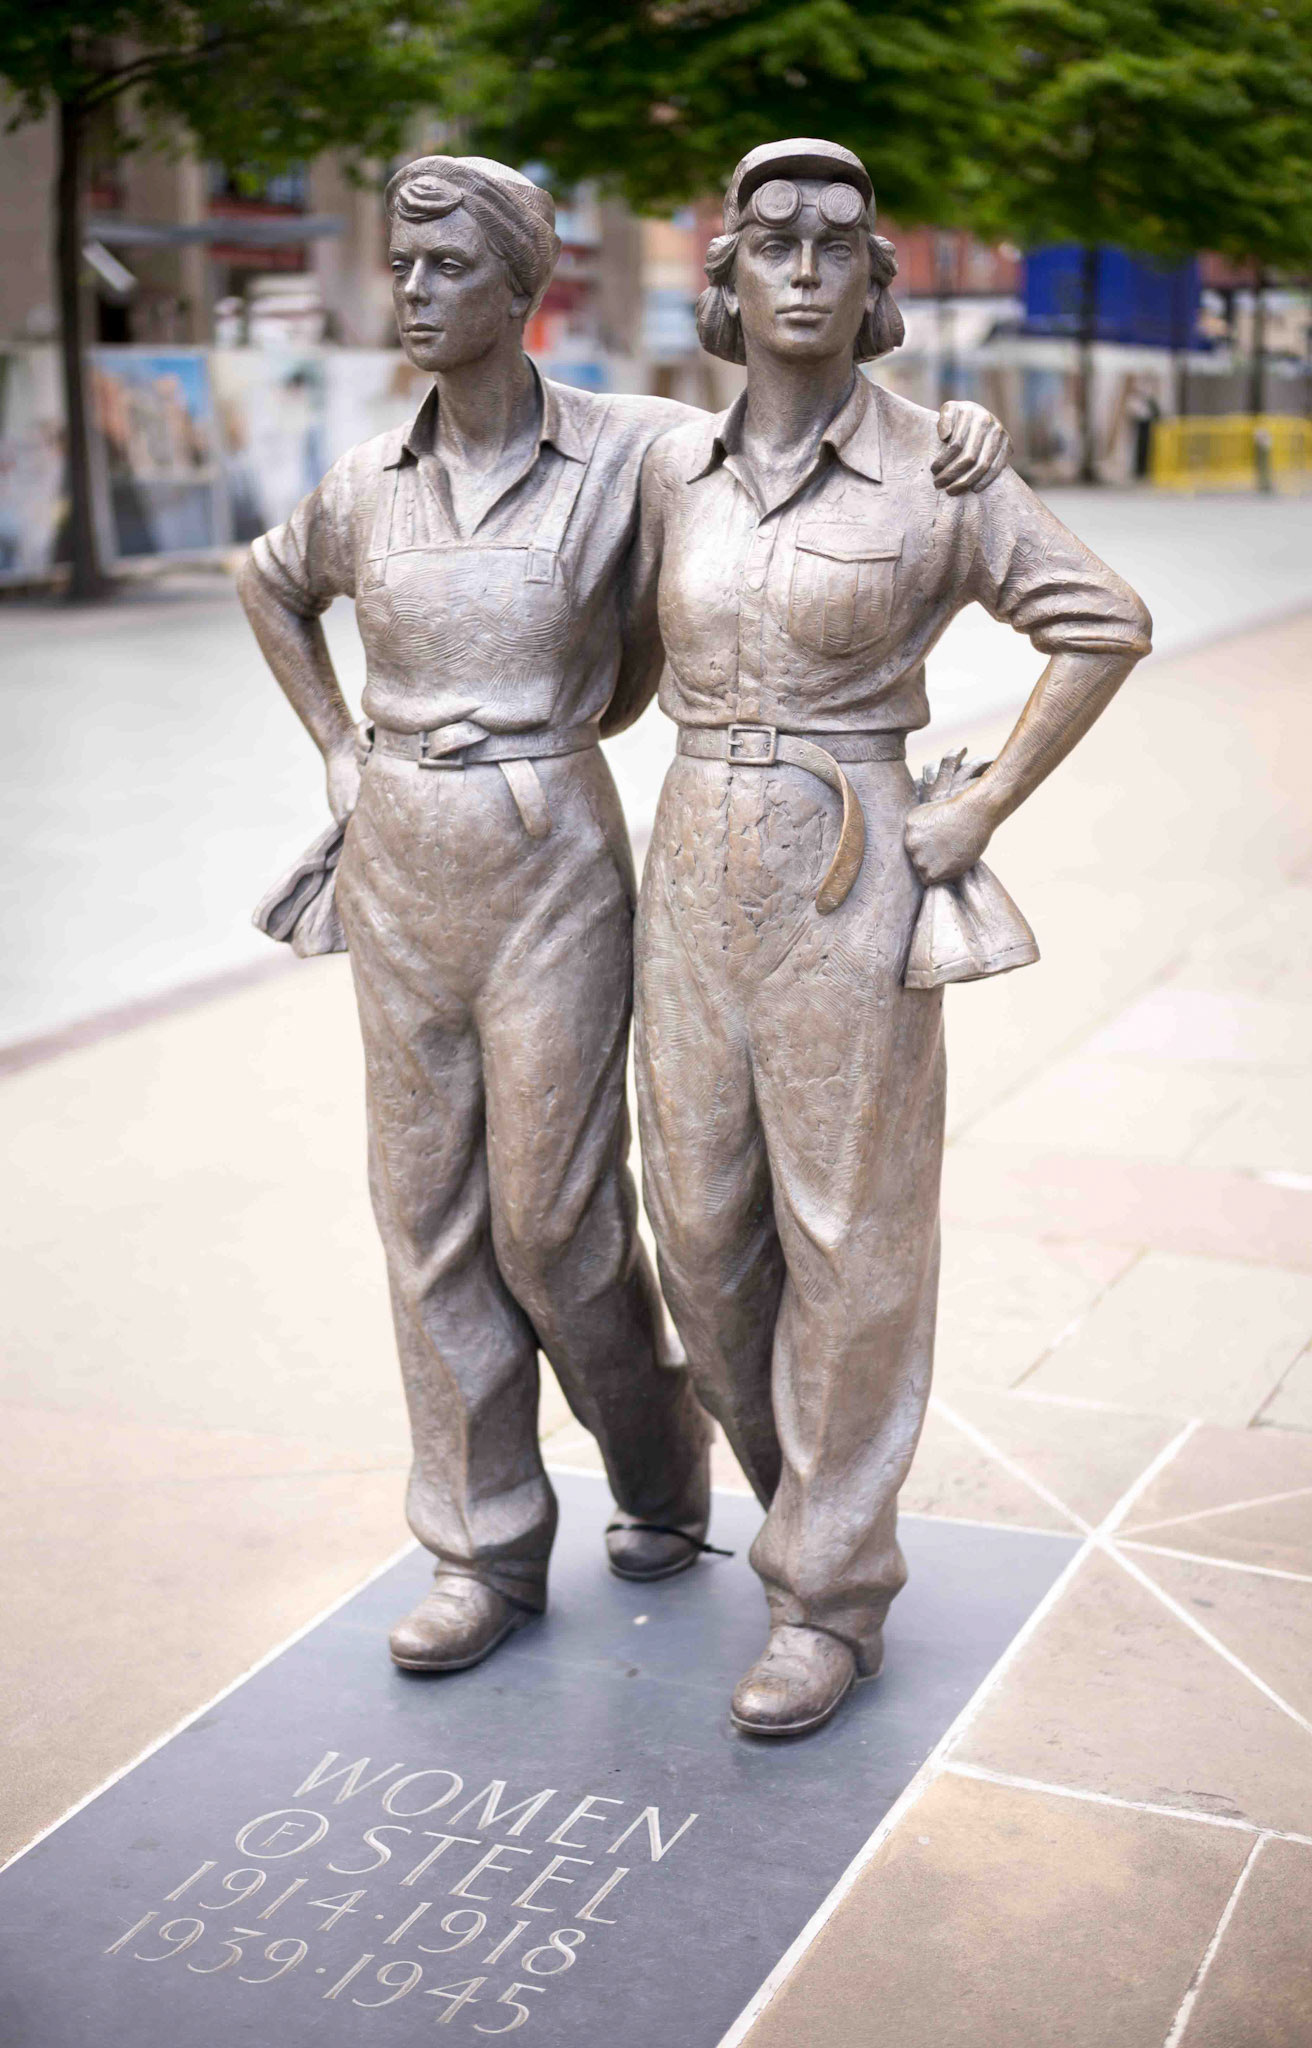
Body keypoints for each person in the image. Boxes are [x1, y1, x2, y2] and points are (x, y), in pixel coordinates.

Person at [237, 153, 1011, 1678]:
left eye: (445, 265)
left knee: (554, 1222)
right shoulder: (366, 483)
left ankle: (659, 1468)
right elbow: (269, 586)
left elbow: (778, 449)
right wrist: (338, 745)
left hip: (555, 868)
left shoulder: (637, 453)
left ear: (526, 288)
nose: (410, 291)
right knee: (426, 1224)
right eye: (398, 267)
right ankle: (483, 1545)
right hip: (398, 865)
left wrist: (956, 432)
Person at [632, 139, 1152, 1736]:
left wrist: (982, 803)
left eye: (837, 245)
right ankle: (801, 1495)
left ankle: (831, 1591)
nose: (803, 267)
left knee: (852, 1241)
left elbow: (1102, 619)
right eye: (770, 242)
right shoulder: (667, 466)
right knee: (703, 1240)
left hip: (850, 870)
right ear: (722, 279)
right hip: (687, 868)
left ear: (875, 285)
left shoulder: (946, 464)